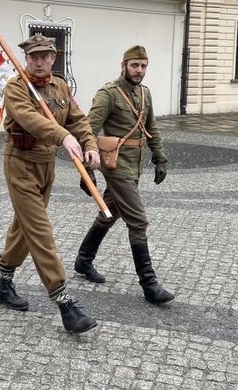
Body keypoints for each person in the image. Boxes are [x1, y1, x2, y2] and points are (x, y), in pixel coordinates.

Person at [0, 33, 101, 334]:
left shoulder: (60, 86)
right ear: (26, 59)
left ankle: (3, 282)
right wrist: (63, 136)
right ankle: (64, 301)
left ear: (53, 58)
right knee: (40, 229)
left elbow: (78, 120)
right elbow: (30, 119)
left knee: (24, 227)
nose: (38, 62)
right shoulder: (16, 87)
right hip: (20, 162)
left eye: (44, 56)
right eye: (33, 57)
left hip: (46, 165)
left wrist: (89, 143)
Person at [74, 45, 174, 305]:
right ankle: (149, 284)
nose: (139, 70)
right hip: (115, 166)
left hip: (135, 165)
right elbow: (89, 130)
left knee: (109, 213)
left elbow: (152, 127)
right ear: (123, 65)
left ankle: (83, 260)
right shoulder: (109, 94)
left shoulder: (144, 93)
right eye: (134, 65)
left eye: (143, 66)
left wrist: (159, 158)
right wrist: (86, 169)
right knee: (138, 222)